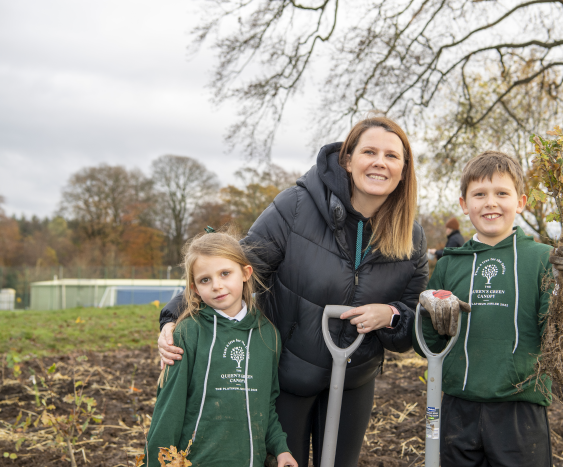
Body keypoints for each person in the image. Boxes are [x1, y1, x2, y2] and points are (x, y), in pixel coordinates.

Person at [158, 116, 428, 467]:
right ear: (347, 159)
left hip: (354, 379)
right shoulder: (297, 207)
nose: (380, 162)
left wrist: (390, 315)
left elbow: (408, 323)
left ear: (404, 170)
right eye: (370, 152)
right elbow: (238, 269)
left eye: (392, 156)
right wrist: (172, 318)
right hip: (286, 373)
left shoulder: (412, 238)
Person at [413, 151, 563, 466]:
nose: (491, 202)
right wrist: (426, 314)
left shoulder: (543, 259)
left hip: (520, 412)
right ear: (464, 204)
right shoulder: (450, 264)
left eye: (501, 193)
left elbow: (561, 340)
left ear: (520, 202)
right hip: (457, 410)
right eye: (479, 194)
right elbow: (427, 347)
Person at [145, 229, 297, 467]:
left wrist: (280, 448)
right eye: (205, 279)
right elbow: (168, 409)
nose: (217, 285)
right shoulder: (188, 332)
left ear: (246, 273)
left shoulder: (269, 336)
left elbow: (266, 405)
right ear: (195, 288)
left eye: (225, 273)